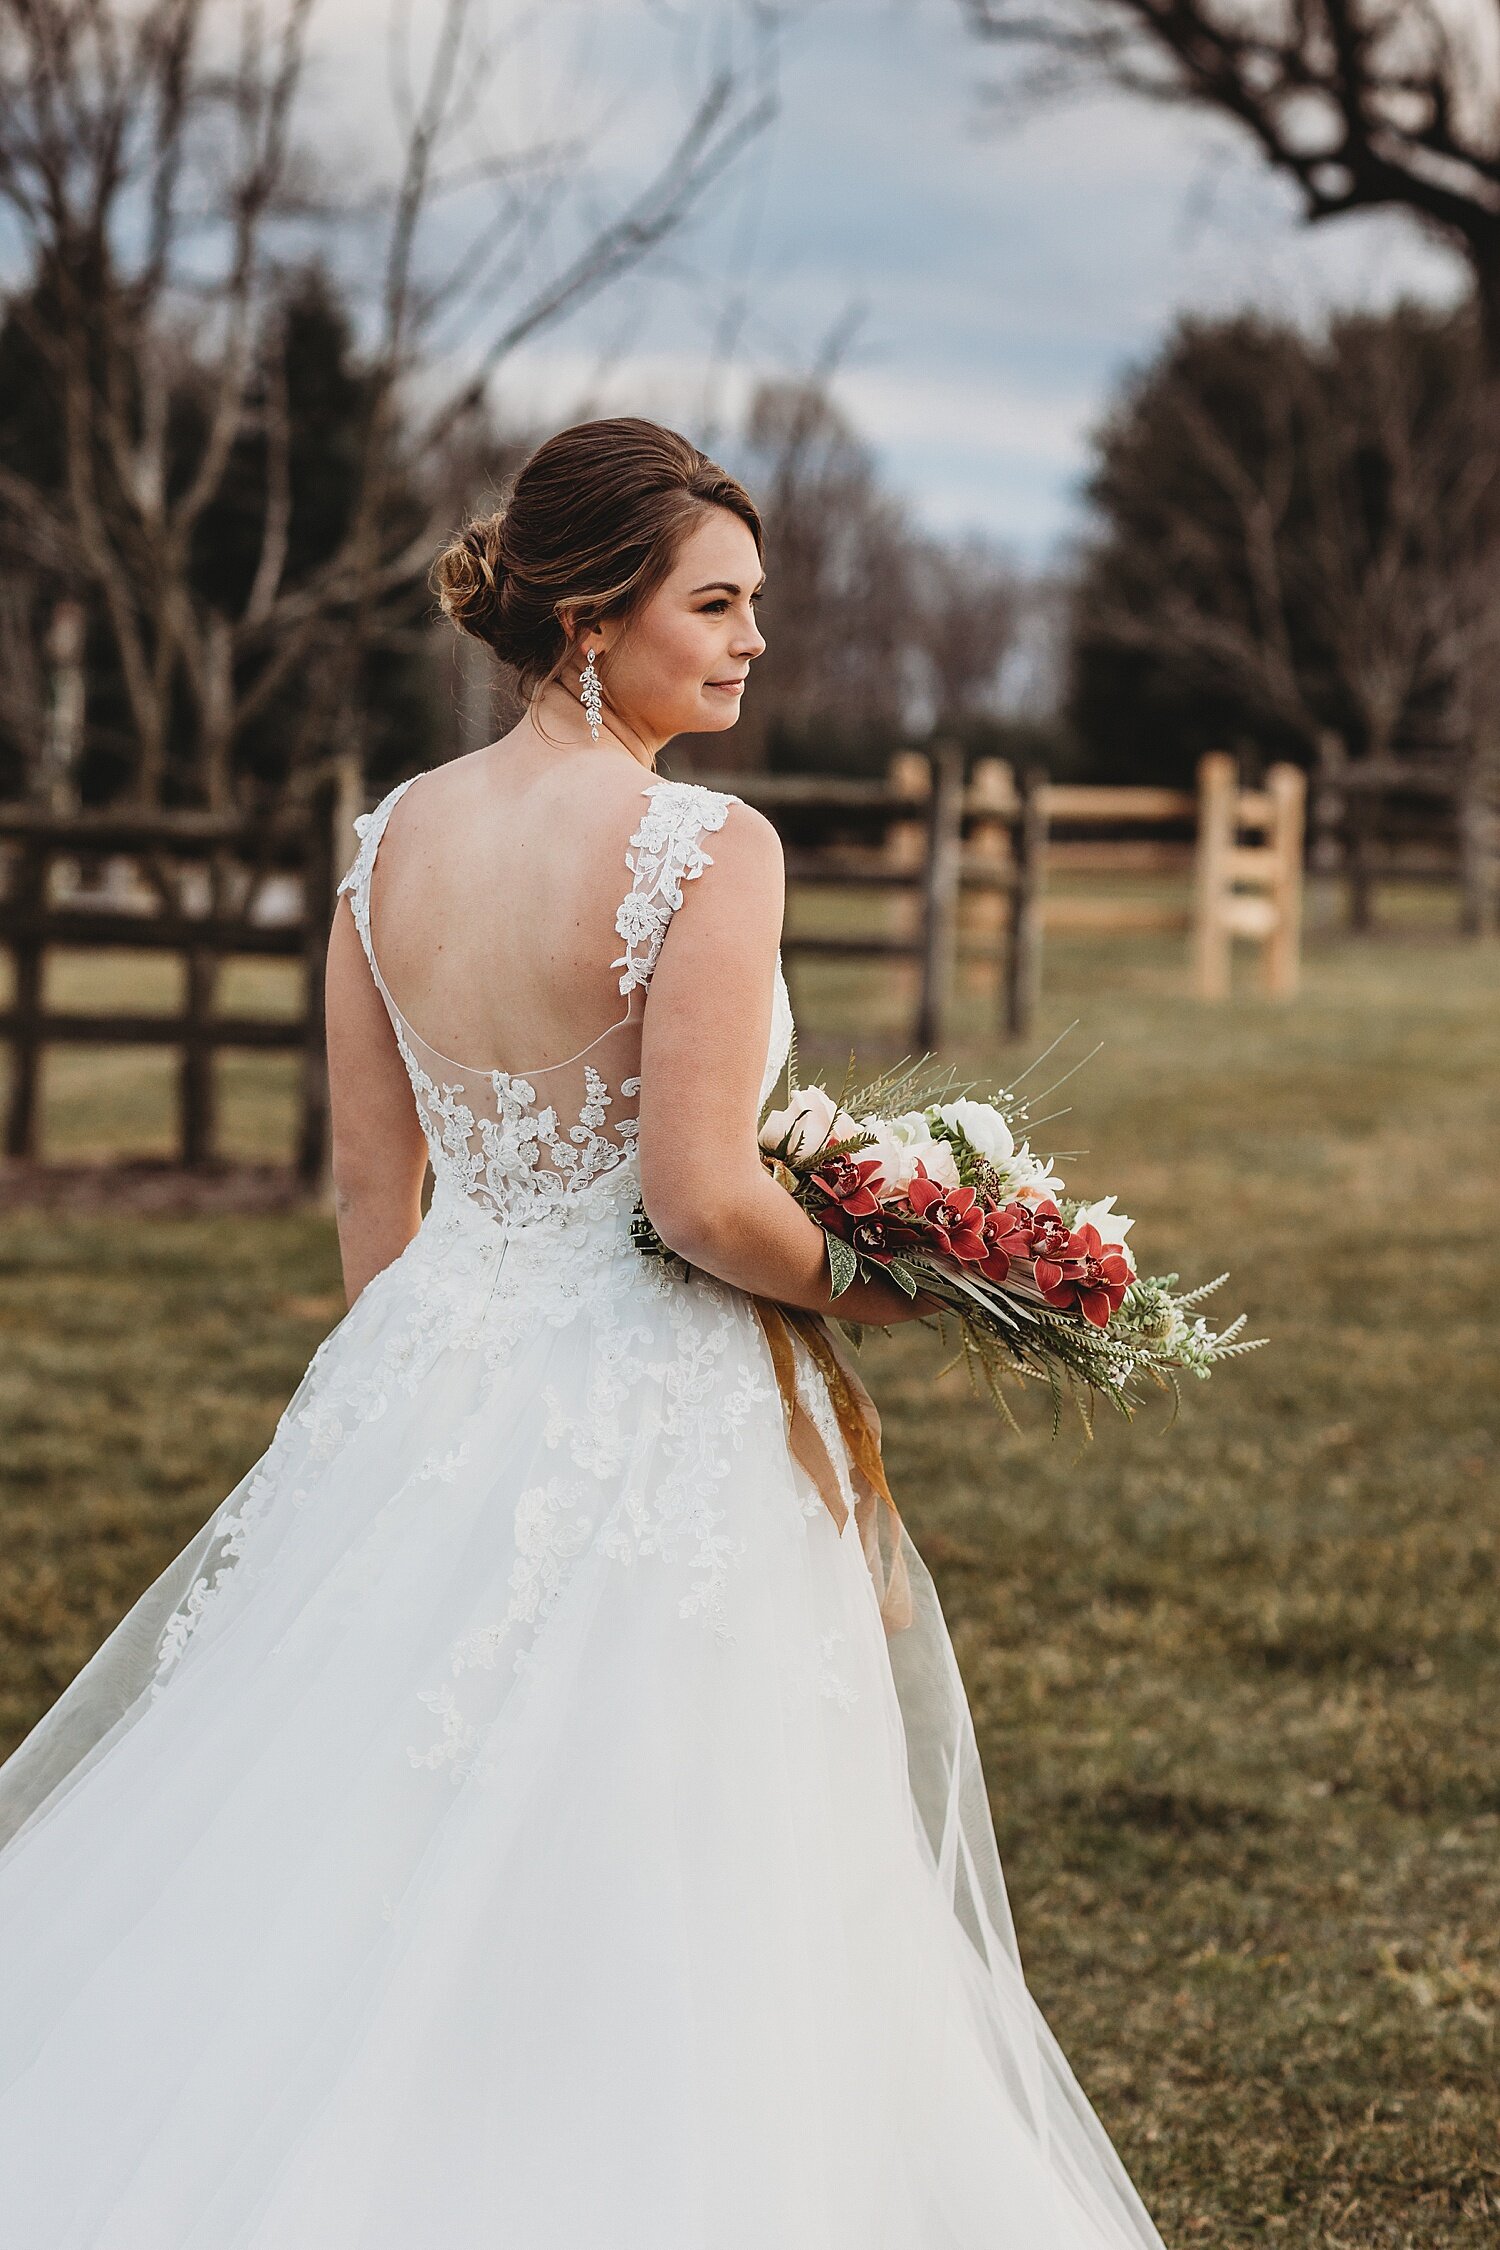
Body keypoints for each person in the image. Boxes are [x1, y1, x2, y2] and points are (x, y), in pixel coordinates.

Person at [0, 417, 1167, 2247]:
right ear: (586, 616)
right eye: (714, 602)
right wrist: (914, 1278)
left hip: (423, 1382)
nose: (754, 638)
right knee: (666, 1859)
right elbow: (704, 1200)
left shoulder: (386, 844)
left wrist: (431, 1406)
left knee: (364, 1828)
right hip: (650, 1402)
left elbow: (373, 1227)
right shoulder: (709, 844)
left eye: (754, 602)